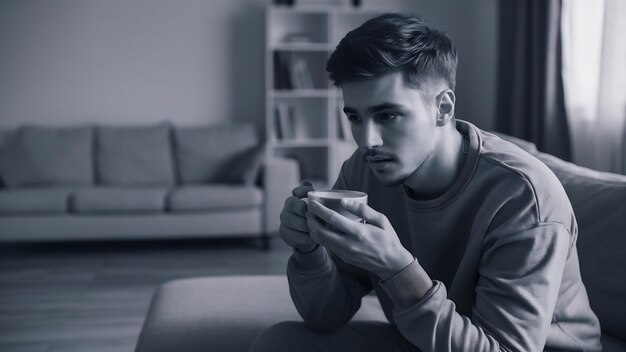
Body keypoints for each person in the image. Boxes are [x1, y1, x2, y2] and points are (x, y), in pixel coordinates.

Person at [250, 13, 602, 352]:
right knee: (281, 343)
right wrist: (308, 251)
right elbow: (325, 316)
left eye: (388, 115)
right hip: (423, 339)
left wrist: (396, 267)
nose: (367, 140)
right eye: (355, 117)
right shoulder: (363, 171)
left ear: (443, 108)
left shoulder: (521, 196)